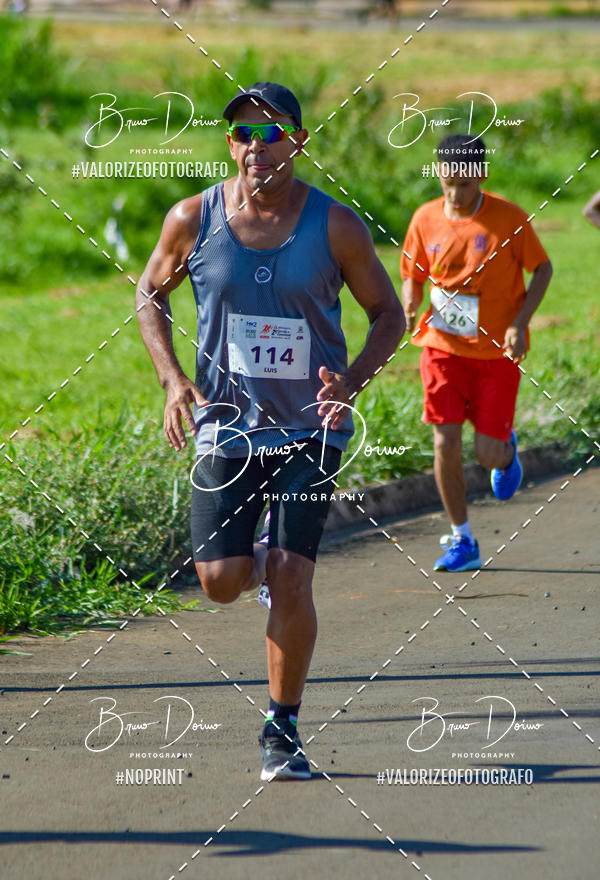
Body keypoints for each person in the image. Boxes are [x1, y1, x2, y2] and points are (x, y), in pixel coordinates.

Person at [136, 82, 405, 779]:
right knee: (220, 581)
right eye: (245, 136)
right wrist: (172, 379)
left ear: (299, 141)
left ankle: (281, 729)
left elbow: (389, 315)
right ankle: (251, 560)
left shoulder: (335, 226)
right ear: (231, 145)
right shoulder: (191, 218)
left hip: (309, 430)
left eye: (273, 132)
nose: (258, 147)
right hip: (225, 428)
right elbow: (148, 294)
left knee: (292, 578)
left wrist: (350, 382)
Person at [400, 134, 552, 573]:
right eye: (448, 183)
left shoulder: (509, 219)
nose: (456, 194)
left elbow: (543, 268)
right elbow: (412, 272)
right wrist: (411, 299)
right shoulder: (425, 218)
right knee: (444, 439)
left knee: (486, 455)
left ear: (481, 175)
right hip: (442, 347)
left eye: (464, 184)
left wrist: (519, 324)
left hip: (495, 353)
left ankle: (505, 451)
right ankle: (463, 538)